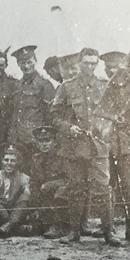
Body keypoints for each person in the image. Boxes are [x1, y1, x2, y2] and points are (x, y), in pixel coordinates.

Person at [51, 48, 121, 246]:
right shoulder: (66, 87)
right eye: (86, 63)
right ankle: (74, 231)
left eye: (93, 63)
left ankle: (109, 232)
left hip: (98, 147)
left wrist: (104, 131)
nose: (90, 67)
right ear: (79, 63)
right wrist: (68, 127)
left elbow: (113, 114)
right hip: (74, 146)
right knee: (76, 188)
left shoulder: (104, 86)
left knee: (103, 189)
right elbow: (54, 116)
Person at [1, 45, 56, 224]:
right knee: (20, 179)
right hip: (18, 141)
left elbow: (50, 115)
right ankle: (21, 216)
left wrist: (45, 141)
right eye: (22, 63)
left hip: (35, 141)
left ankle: (40, 218)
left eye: (29, 62)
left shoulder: (44, 85)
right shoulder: (18, 84)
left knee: (37, 179)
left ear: (35, 61)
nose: (26, 66)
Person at [100, 50, 130, 243]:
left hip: (128, 143)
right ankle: (108, 231)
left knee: (129, 187)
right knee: (107, 187)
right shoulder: (102, 87)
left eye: (115, 67)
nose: (111, 71)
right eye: (108, 67)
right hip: (105, 143)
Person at [0, 144, 33, 237]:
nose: (9, 163)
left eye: (13, 161)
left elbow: (26, 196)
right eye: (6, 160)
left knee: (25, 196)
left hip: (17, 213)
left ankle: (10, 226)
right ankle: (15, 227)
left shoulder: (24, 178)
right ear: (2, 161)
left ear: (18, 162)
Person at [34, 126, 70, 239]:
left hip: (61, 197)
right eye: (41, 141)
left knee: (61, 191)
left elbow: (69, 180)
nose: (44, 144)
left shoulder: (62, 158)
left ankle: (59, 226)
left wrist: (50, 185)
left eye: (47, 141)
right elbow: (33, 182)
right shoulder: (36, 159)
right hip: (45, 199)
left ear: (54, 142)